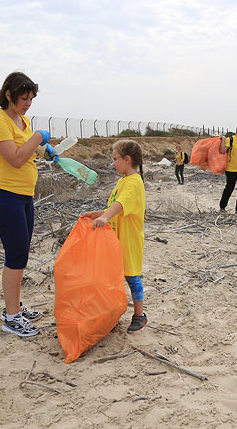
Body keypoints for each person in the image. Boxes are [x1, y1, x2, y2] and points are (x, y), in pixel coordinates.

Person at [0, 71, 52, 337]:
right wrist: (37, 138)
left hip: (23, 196)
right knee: (15, 256)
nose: (28, 104)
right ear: (9, 94)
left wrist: (45, 150)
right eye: (24, 98)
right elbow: (14, 158)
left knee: (21, 254)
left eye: (32, 99)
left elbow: (29, 151)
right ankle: (11, 317)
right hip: (4, 196)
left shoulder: (21, 119)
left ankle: (14, 307)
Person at [81, 140, 148, 333]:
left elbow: (121, 204)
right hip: (117, 238)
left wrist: (105, 216)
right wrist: (97, 213)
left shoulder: (135, 182)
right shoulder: (123, 181)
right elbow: (115, 206)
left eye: (115, 159)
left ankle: (139, 315)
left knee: (131, 276)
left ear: (127, 159)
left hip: (129, 240)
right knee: (115, 276)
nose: (113, 163)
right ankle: (112, 313)